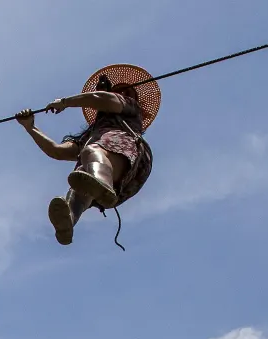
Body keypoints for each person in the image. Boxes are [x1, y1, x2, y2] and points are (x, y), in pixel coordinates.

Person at [16, 64, 161, 245]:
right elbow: (57, 151)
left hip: (130, 156)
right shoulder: (91, 135)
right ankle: (69, 219)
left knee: (91, 152)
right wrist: (30, 127)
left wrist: (65, 102)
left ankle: (102, 183)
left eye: (123, 92)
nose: (120, 95)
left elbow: (102, 99)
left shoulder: (131, 108)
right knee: (79, 188)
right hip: (123, 181)